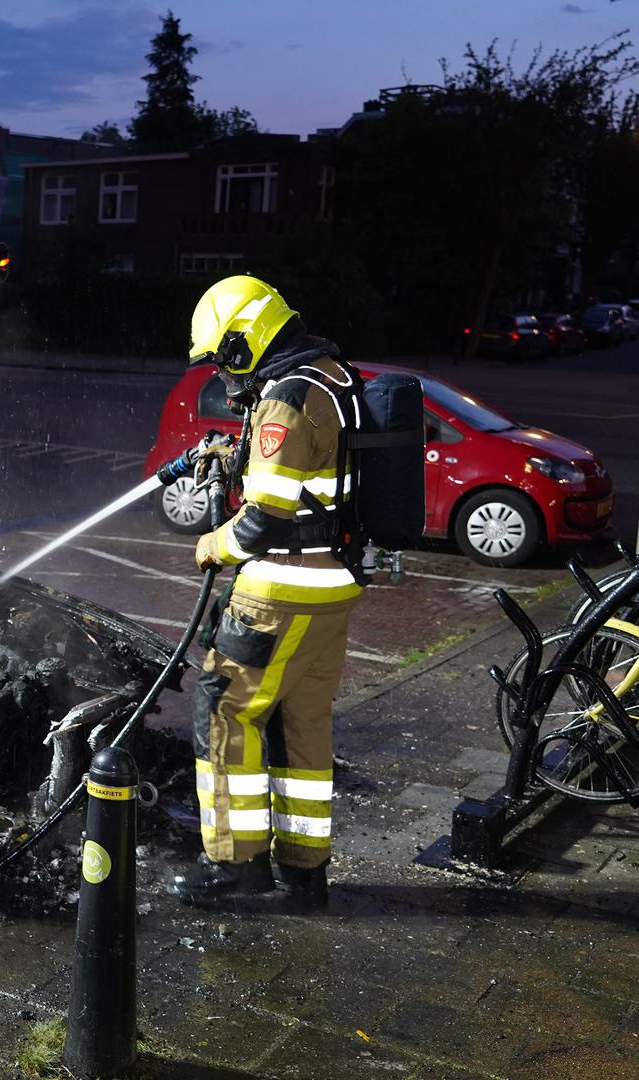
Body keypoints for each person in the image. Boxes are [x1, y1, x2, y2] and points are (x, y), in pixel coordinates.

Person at [166, 275, 363, 913]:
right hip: (332, 588)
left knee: (225, 713)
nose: (223, 376)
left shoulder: (286, 397)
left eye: (223, 360)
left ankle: (233, 864)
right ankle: (305, 875)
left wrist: (213, 546)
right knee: (303, 726)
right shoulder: (334, 377)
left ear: (243, 342)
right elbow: (309, 483)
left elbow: (266, 519)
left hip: (280, 588)